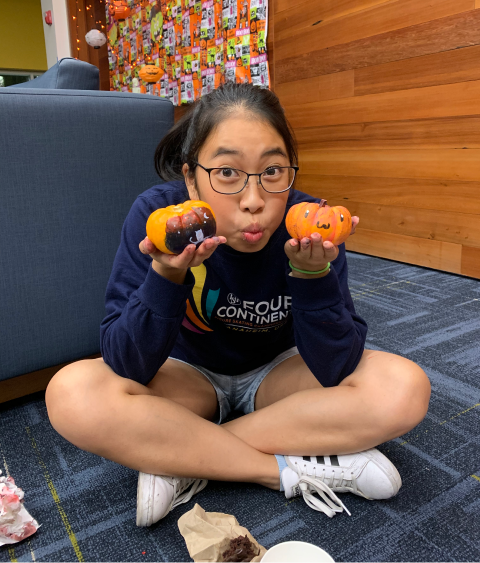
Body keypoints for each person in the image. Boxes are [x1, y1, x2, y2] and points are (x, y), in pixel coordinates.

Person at [45, 83, 431, 527]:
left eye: (273, 171)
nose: (254, 201)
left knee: (404, 387)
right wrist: (166, 276)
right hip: (188, 379)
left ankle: (180, 456)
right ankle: (284, 470)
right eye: (227, 173)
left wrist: (312, 275)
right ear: (191, 178)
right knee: (72, 393)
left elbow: (336, 365)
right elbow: (126, 361)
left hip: (278, 377)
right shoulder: (160, 217)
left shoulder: (312, 224)